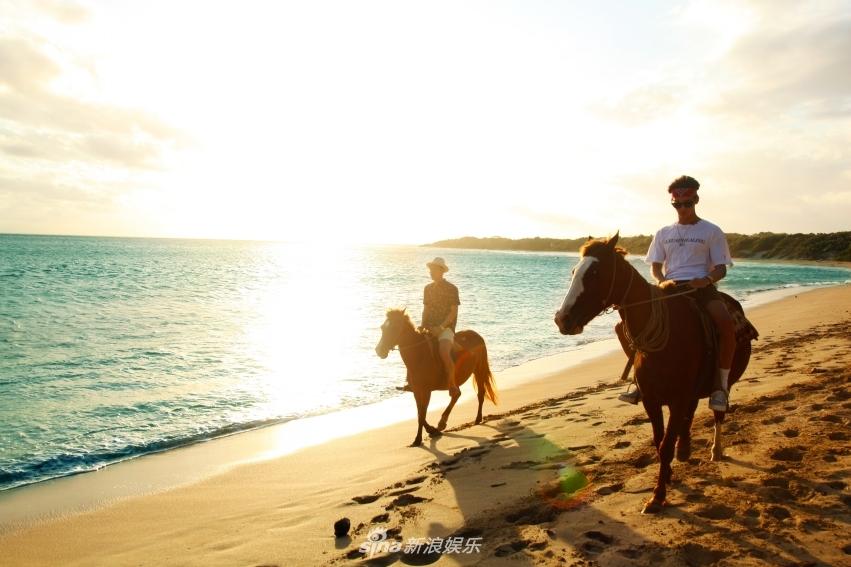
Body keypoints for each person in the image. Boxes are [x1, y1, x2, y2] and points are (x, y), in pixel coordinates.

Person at [620, 175, 735, 412]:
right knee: (623, 327)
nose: (682, 208)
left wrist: (706, 280)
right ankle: (639, 379)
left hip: (701, 288)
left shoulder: (711, 230)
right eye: (677, 204)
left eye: (687, 203)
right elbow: (654, 266)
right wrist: (662, 281)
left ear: (696, 200)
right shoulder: (663, 232)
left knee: (725, 325)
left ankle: (720, 387)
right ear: (673, 203)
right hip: (669, 288)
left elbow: (721, 267)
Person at [407, 257, 461, 396]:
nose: (431, 272)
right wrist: (422, 325)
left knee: (444, 352)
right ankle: (410, 381)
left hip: (446, 329)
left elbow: (453, 312)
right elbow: (426, 309)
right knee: (414, 347)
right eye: (430, 269)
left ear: (441, 271)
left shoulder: (452, 289)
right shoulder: (427, 288)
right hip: (429, 327)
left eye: (434, 269)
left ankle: (452, 384)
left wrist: (442, 327)